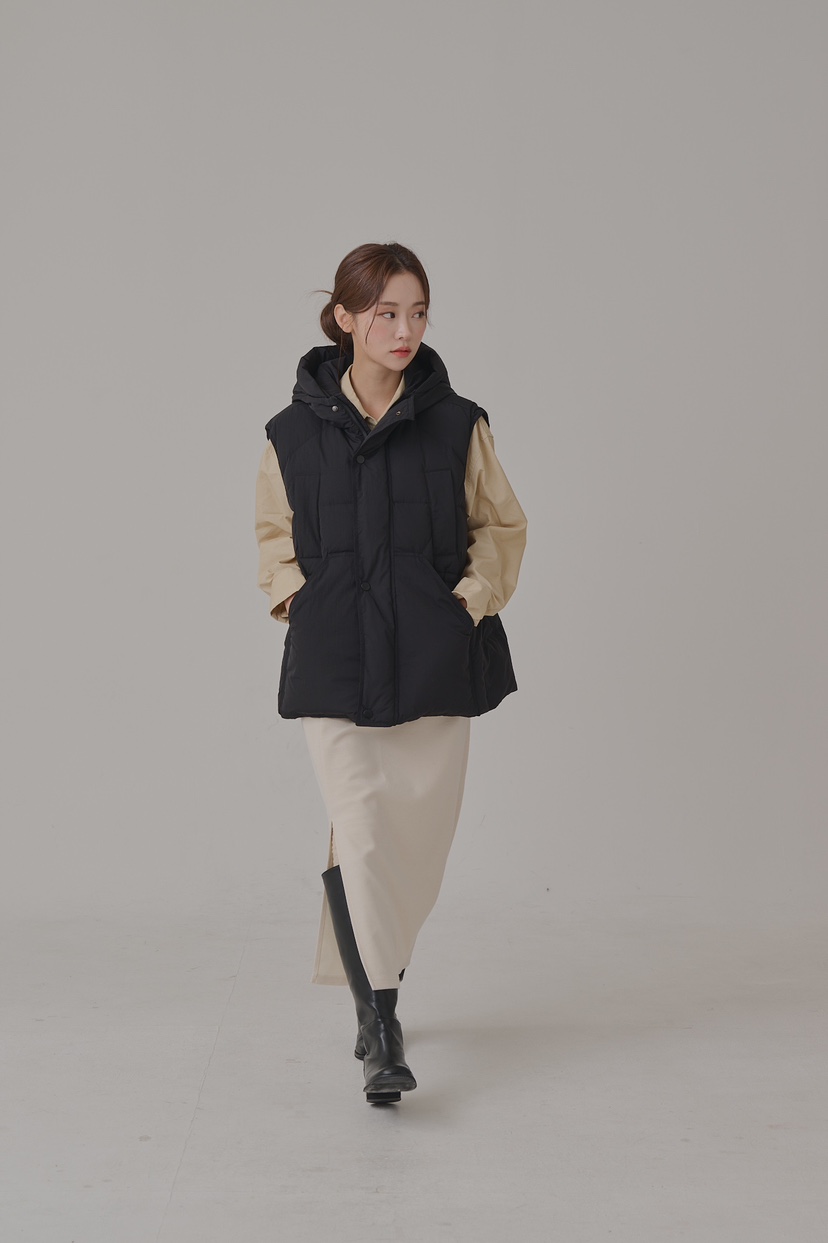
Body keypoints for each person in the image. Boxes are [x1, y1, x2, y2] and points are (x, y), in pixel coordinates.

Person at [255, 241, 527, 1104]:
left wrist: (465, 605)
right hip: (337, 660)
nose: (405, 330)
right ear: (345, 317)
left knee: (414, 846)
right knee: (364, 828)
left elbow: (501, 527)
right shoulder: (291, 432)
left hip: (434, 658)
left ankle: (375, 989)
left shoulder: (458, 422)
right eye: (385, 313)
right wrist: (301, 601)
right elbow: (274, 536)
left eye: (417, 312)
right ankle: (381, 1025)